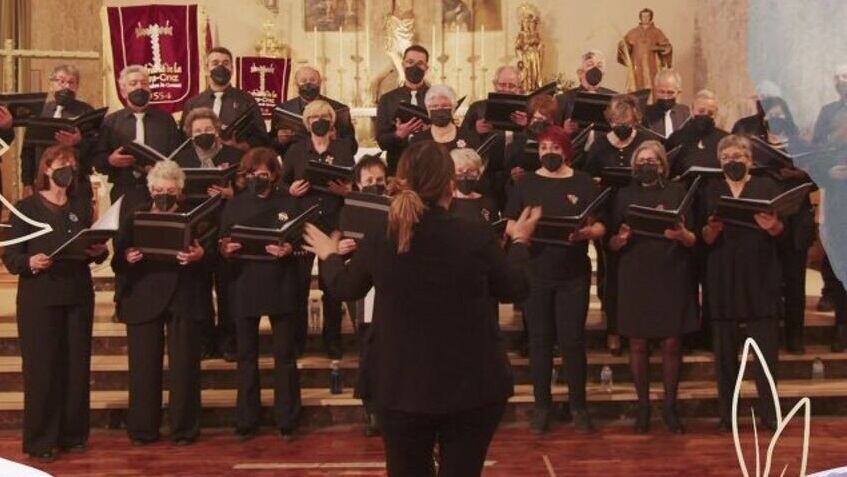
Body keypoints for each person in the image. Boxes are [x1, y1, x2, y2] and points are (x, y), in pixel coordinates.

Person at [303, 139, 537, 477]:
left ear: (401, 182)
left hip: (401, 385)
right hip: (471, 383)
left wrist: (329, 255)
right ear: (450, 184)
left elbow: (344, 287)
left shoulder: (382, 236)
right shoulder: (474, 235)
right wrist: (519, 243)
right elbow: (516, 288)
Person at [1, 145, 109, 462]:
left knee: (76, 366)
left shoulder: (80, 206)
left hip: (76, 293)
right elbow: (10, 256)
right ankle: (41, 439)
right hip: (40, 296)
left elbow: (95, 249)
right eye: (62, 163)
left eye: (72, 164)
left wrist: (97, 250)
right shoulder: (26, 207)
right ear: (46, 168)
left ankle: (73, 434)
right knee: (42, 369)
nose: (68, 168)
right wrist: (30, 260)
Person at [505, 125, 606, 434]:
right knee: (539, 342)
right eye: (544, 147)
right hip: (535, 273)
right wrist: (522, 233)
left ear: (566, 151)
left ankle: (579, 406)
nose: (549, 152)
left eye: (555, 147)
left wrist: (586, 233)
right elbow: (510, 223)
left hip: (573, 274)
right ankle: (542, 407)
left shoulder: (584, 182)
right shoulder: (527, 182)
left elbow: (601, 225)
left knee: (573, 341)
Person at [113, 161, 211, 445]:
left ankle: (184, 429)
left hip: (184, 297)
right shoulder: (134, 217)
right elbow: (118, 259)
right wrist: (128, 258)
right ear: (150, 190)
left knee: (185, 367)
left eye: (170, 190)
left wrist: (199, 256)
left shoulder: (196, 219)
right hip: (143, 296)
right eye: (158, 189)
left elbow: (210, 261)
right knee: (143, 366)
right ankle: (143, 429)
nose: (163, 194)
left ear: (179, 191)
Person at [607, 141, 698, 434]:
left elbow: (693, 239)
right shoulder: (623, 195)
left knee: (672, 341)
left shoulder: (677, 192)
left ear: (662, 165)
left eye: (652, 161)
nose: (647, 165)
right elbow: (610, 242)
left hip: (670, 270)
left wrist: (682, 234)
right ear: (635, 166)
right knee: (637, 342)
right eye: (642, 160)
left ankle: (670, 407)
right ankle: (643, 406)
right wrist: (619, 239)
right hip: (635, 271)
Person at [699, 135, 784, 431]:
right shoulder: (709, 189)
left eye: (739, 156)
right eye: (726, 157)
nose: (732, 161)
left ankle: (770, 414)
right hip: (722, 276)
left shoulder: (766, 187)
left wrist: (773, 226)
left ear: (750, 161)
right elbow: (703, 239)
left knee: (765, 353)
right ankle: (728, 415)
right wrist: (712, 229)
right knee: (725, 356)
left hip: (759, 276)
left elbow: (780, 231)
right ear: (719, 161)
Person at [218, 147, 303, 440]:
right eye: (252, 175)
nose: (258, 179)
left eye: (263, 174)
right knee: (246, 355)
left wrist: (289, 248)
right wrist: (226, 248)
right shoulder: (236, 204)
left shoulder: (289, 202)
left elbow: (299, 240)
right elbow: (223, 240)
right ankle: (246, 419)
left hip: (280, 282)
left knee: (284, 355)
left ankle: (287, 418)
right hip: (245, 282)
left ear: (274, 174)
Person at [283, 99, 355, 358]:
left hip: (334, 223)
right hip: (305, 223)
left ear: (332, 120)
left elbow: (353, 182)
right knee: (299, 285)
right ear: (307, 122)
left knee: (332, 285)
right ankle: (298, 341)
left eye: (324, 116)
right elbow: (282, 185)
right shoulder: (296, 151)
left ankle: (333, 340)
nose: (319, 120)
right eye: (314, 117)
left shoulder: (344, 147)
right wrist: (290, 190)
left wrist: (347, 190)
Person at [581, 94, 652, 356]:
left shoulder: (645, 141)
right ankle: (613, 328)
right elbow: (588, 177)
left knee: (641, 271)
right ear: (610, 120)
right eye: (617, 120)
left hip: (639, 208)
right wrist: (597, 181)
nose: (622, 124)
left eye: (627, 120)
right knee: (611, 274)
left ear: (635, 119)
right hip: (609, 213)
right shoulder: (600, 145)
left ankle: (641, 327)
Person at [173, 107, 244, 360]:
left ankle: (229, 340)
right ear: (189, 133)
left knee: (228, 287)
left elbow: (248, 193)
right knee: (199, 288)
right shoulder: (180, 158)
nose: (203, 133)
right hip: (196, 227)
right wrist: (178, 195)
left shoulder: (235, 155)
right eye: (198, 130)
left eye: (208, 129)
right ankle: (204, 340)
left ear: (217, 130)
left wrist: (230, 194)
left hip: (227, 226)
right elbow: (172, 195)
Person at [335, 154, 390, 437]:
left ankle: (390, 405)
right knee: (367, 348)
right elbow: (341, 239)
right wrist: (342, 246)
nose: (375, 185)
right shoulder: (349, 210)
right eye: (368, 181)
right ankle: (372, 410)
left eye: (379, 181)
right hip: (360, 282)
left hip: (389, 284)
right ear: (357, 184)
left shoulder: (398, 208)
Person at [94, 64, 183, 203]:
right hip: (123, 191)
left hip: (160, 193)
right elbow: (98, 160)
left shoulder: (166, 120)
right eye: (133, 83)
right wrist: (110, 160)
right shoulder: (110, 122)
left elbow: (178, 156)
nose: (139, 87)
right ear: (123, 91)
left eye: (144, 83)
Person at [20, 64, 98, 199]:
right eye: (61, 81)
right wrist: (27, 183)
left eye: (71, 82)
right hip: (42, 181)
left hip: (76, 182)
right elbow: (28, 150)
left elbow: (95, 148)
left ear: (77, 86)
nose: (66, 86)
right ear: (52, 84)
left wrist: (78, 142)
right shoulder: (40, 112)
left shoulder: (86, 112)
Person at [460, 65, 526, 209]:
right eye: (502, 84)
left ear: (519, 87)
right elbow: (461, 140)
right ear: (495, 85)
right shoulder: (477, 108)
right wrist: (476, 131)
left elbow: (538, 140)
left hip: (518, 174)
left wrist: (527, 126)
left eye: (511, 85)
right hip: (486, 174)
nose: (506, 89)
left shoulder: (527, 110)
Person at [181, 47, 268, 149]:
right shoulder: (193, 104)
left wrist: (240, 146)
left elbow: (262, 137)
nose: (220, 67)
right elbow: (184, 140)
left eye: (225, 63)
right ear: (206, 69)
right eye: (215, 63)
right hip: (201, 162)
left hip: (237, 160)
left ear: (232, 68)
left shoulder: (247, 100)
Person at [811, 65, 847, 314]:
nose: (842, 81)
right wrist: (828, 171)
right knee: (834, 238)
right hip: (836, 186)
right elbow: (817, 150)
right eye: (839, 78)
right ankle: (831, 291)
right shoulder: (828, 112)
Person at [271, 66, 357, 157]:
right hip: (294, 162)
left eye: (313, 80)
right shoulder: (283, 110)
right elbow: (271, 147)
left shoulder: (339, 109)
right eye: (303, 81)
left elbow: (352, 148)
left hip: (330, 162)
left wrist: (336, 139)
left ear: (320, 82)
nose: (308, 84)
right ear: (296, 84)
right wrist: (279, 141)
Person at [376, 45, 431, 175]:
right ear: (403, 64)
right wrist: (398, 135)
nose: (414, 67)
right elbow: (381, 141)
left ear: (426, 68)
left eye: (420, 63)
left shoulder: (436, 97)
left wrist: (432, 131)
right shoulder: (387, 99)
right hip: (398, 166)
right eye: (410, 62)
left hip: (430, 165)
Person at [667, 89, 729, 179]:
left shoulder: (726, 140)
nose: (705, 115)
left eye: (710, 113)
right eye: (701, 111)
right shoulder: (676, 138)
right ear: (692, 110)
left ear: (716, 113)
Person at [555, 50, 618, 134]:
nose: (596, 69)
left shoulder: (615, 98)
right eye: (590, 65)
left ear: (603, 74)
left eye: (600, 66)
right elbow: (554, 134)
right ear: (580, 73)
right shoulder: (564, 99)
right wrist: (564, 131)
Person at [410, 84, 480, 150]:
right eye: (435, 106)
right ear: (428, 110)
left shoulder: (469, 137)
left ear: (453, 109)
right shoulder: (418, 140)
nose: (439, 109)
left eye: (445, 106)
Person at [449, 148, 499, 225]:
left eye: (470, 170)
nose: (465, 175)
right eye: (460, 170)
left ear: (478, 173)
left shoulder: (487, 203)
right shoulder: (446, 203)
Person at [643, 69, 690, 138]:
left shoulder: (687, 114)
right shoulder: (645, 114)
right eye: (661, 92)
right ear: (655, 91)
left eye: (670, 92)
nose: (665, 97)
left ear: (678, 92)